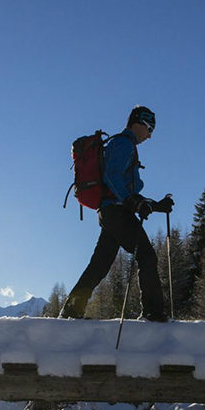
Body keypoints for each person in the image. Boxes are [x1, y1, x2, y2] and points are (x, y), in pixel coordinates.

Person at [60, 105, 174, 321]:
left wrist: (156, 205)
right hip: (116, 212)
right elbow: (112, 176)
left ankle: (72, 309)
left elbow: (125, 189)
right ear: (138, 123)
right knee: (146, 255)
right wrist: (132, 201)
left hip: (110, 212)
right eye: (150, 129)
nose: (150, 136)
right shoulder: (123, 143)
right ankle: (153, 312)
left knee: (100, 263)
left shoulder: (123, 144)